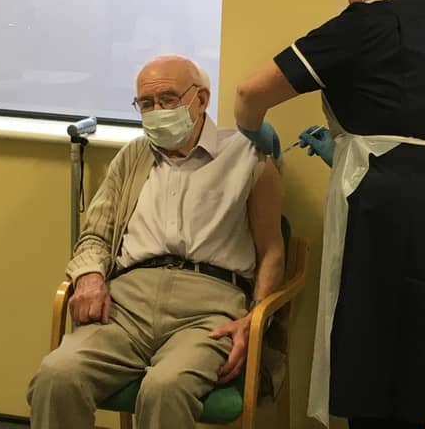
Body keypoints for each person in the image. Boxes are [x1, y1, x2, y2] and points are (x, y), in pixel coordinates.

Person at [233, 0, 425, 428]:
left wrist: (255, 133)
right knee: (420, 360)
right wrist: (349, 154)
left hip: (385, 214)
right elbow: (423, 128)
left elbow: (251, 93)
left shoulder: (366, 22)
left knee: (371, 364)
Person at [27, 55, 285, 429]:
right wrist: (89, 278)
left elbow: (272, 250)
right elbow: (96, 233)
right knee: (57, 375)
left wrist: (253, 319)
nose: (157, 111)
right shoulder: (133, 156)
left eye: (167, 99)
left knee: (166, 388)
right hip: (127, 304)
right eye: (146, 104)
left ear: (201, 99)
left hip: (208, 309)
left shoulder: (247, 155)